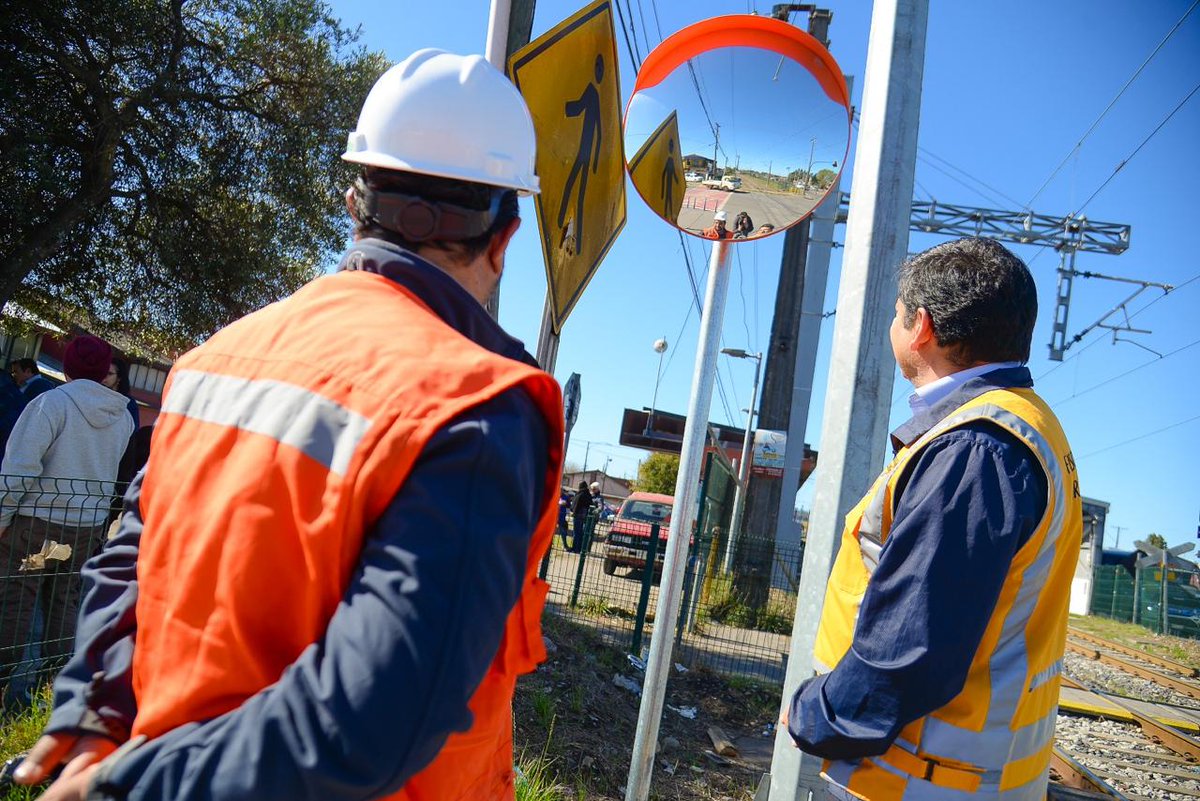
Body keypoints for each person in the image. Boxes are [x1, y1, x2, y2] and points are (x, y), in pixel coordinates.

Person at [17, 50, 564, 801]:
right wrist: (132, 784)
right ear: (503, 240)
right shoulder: (478, 406)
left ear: (353, 203)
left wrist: (94, 703)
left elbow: (131, 554)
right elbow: (373, 720)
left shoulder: (216, 359)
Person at [784, 237, 1083, 801]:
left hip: (923, 777)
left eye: (896, 314)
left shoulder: (976, 449)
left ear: (920, 327)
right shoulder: (1027, 428)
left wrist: (818, 714)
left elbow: (910, 646)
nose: (893, 325)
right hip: (970, 775)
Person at [0, 336, 135, 689]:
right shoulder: (122, 418)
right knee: (64, 603)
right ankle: (50, 684)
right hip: (85, 526)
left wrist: (1, 518)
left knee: (17, 599)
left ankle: (2, 681)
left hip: (37, 527)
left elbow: (19, 469)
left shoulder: (51, 404)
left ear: (68, 367)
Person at [101, 358, 140, 430]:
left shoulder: (129, 403)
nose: (104, 377)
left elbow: (133, 430)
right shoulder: (95, 395)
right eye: (103, 372)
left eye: (109, 374)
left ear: (119, 378)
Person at [569, 479, 592, 553]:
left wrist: (573, 512)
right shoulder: (587, 494)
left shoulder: (581, 494)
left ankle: (575, 548)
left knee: (577, 533)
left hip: (578, 515)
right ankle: (578, 548)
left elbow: (577, 505)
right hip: (583, 516)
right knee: (580, 533)